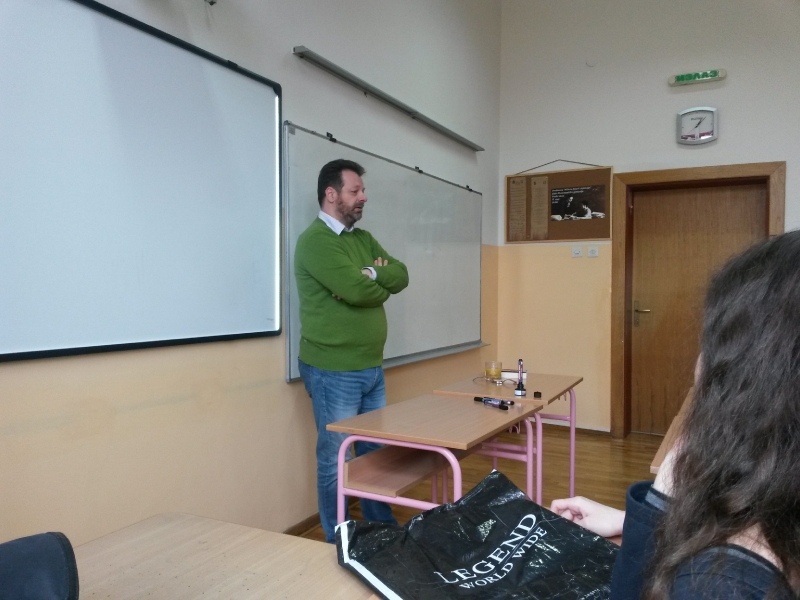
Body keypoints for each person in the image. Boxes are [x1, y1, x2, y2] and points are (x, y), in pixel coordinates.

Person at [551, 231, 800, 599]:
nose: (698, 365)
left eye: (714, 344)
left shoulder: (718, 584)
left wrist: (661, 497)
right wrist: (635, 522)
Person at [294, 159, 409, 543]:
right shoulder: (315, 241)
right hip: (333, 370)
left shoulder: (363, 239)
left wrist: (373, 273)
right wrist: (371, 284)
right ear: (331, 194)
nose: (364, 197)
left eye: (362, 190)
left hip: (370, 366)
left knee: (376, 453)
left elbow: (401, 274)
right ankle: (338, 538)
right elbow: (357, 291)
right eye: (355, 190)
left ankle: (382, 530)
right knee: (336, 458)